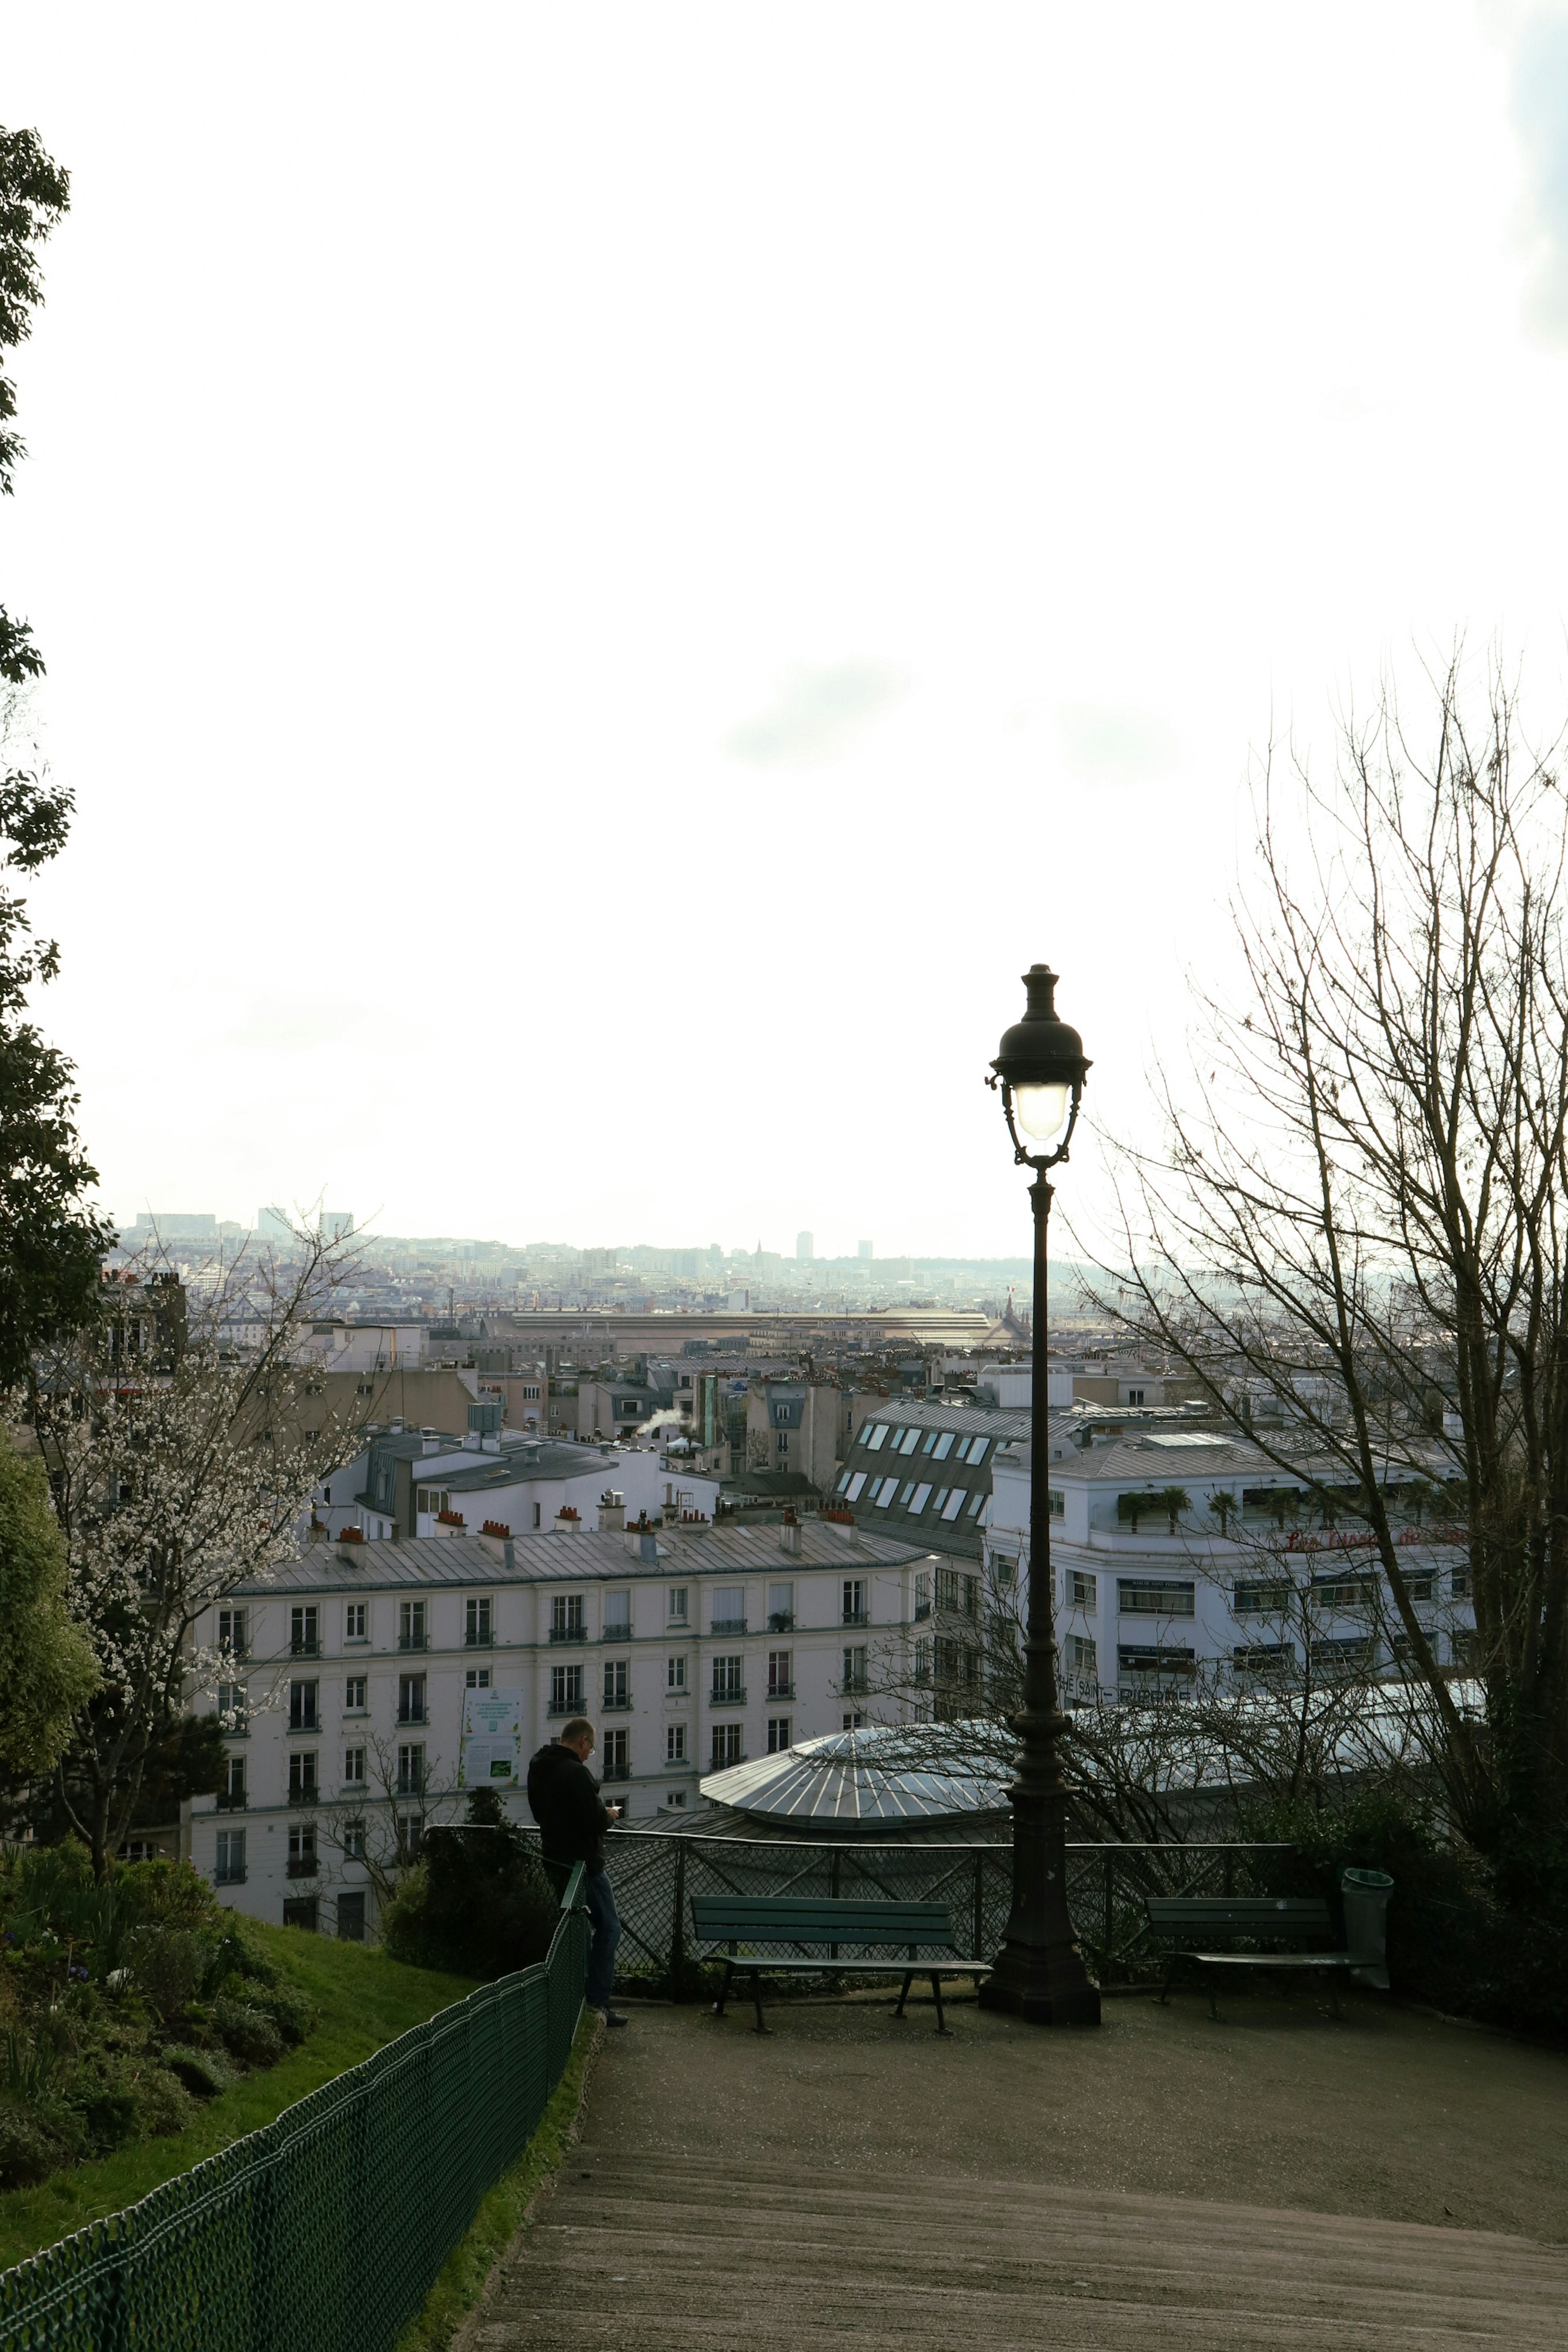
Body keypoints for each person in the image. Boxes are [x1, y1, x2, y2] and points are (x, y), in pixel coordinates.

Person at [526, 1715, 627, 2027]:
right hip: (584, 1865)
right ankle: (596, 2004)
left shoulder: (538, 1767)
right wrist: (609, 1813)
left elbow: (541, 1813)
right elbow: (595, 1820)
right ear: (583, 1741)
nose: (589, 1755)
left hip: (554, 1858)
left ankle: (573, 2000)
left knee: (576, 1931)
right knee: (609, 1928)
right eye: (591, 1749)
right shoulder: (576, 1773)